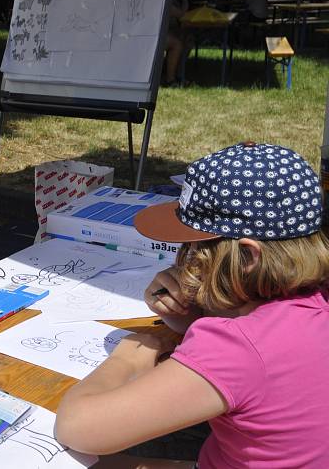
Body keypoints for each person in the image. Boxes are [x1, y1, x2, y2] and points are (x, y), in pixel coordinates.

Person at [55, 142, 329, 467]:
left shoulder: (237, 346)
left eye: (194, 249)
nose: (183, 261)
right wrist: (186, 316)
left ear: (248, 256)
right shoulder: (315, 299)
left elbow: (79, 428)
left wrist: (128, 356)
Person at [163, 0, 190, 87]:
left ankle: (178, 75)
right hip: (152, 36)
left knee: (187, 40)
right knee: (177, 44)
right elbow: (181, 14)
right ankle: (170, 79)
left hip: (169, 30)